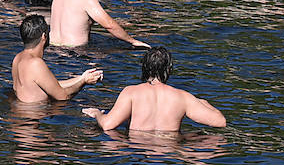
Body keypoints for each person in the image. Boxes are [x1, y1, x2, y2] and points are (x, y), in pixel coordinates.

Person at [82, 47, 227, 133]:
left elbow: (107, 125)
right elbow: (220, 122)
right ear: (169, 69)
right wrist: (203, 102)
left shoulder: (131, 92)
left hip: (137, 150)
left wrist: (97, 114)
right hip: (169, 152)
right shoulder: (183, 98)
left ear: (144, 68)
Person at [12, 14, 103, 104]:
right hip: (36, 115)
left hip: (22, 113)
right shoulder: (36, 63)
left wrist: (82, 77)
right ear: (44, 36)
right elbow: (63, 96)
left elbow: (52, 85)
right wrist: (83, 82)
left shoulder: (18, 58)